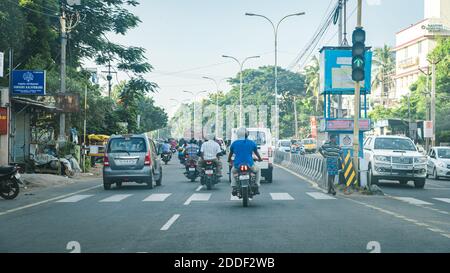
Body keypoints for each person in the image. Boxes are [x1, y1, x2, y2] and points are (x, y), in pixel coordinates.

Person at [227, 127, 262, 196]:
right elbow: (256, 153)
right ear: (247, 134)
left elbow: (230, 154)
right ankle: (257, 185)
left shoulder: (234, 143)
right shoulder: (251, 143)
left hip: (237, 165)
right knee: (258, 170)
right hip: (250, 164)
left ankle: (234, 187)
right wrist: (260, 159)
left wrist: (229, 160)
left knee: (232, 171)